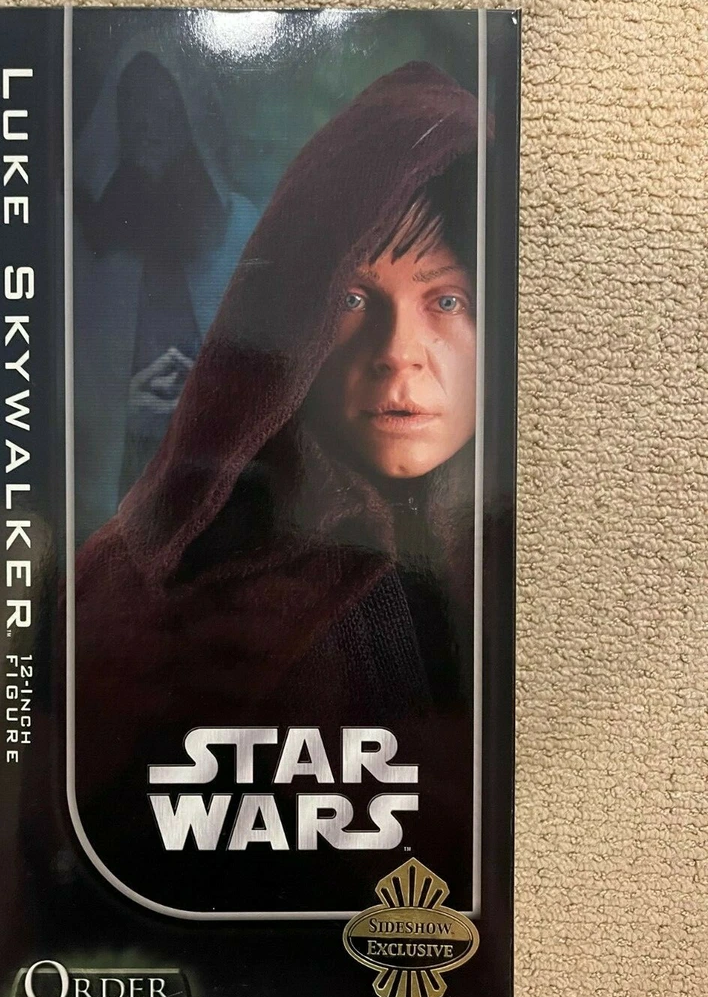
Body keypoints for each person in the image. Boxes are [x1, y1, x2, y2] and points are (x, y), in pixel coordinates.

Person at [70, 60, 484, 914]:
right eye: (353, 299)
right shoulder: (154, 593)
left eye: (446, 301)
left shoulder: (522, 566)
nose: (397, 354)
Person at [73, 41, 259, 541]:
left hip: (215, 468)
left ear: (189, 115)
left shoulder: (241, 226)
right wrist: (119, 406)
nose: (147, 124)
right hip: (118, 475)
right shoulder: (85, 240)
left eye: (163, 106)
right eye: (134, 106)